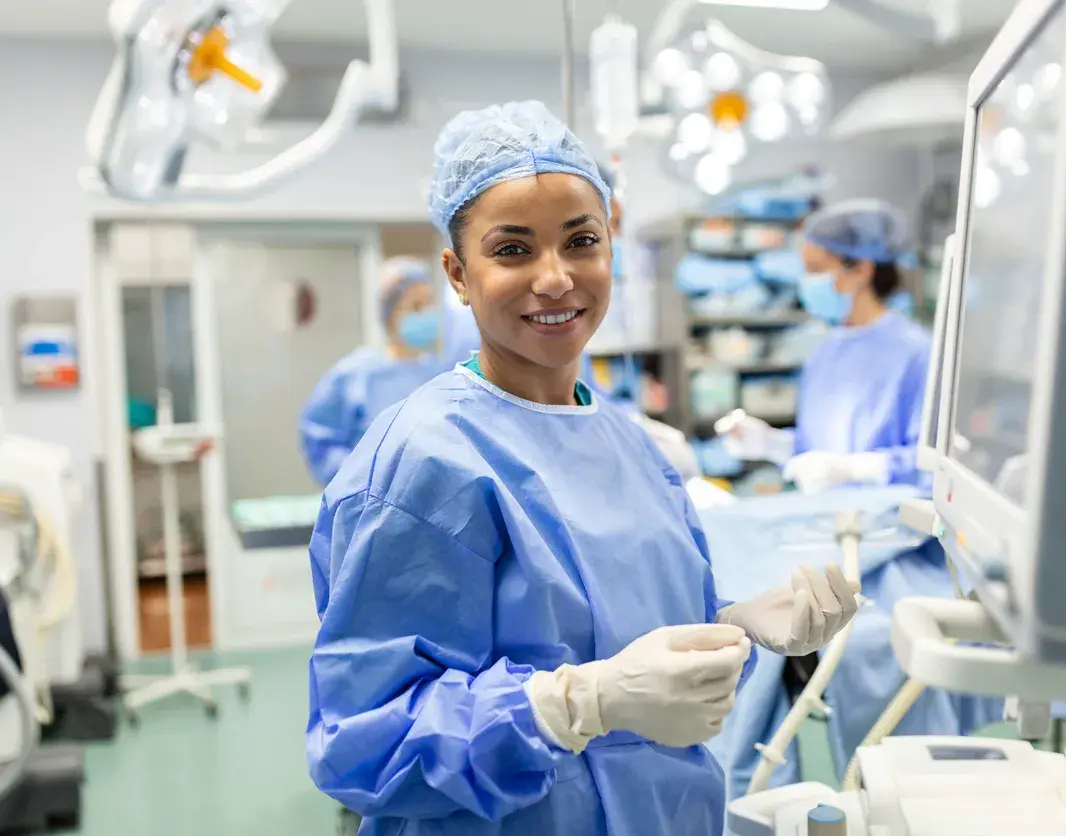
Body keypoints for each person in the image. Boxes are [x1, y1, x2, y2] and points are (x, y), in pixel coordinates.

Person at [305, 100, 859, 836]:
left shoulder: (636, 450)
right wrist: (576, 705)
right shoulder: (421, 466)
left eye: (582, 241)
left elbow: (630, 637)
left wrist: (735, 626)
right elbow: (363, 744)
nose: (556, 277)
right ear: (458, 274)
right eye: (512, 250)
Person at [717, 199, 931, 493]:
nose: (807, 282)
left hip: (894, 531)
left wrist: (856, 469)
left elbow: (934, 465)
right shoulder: (825, 351)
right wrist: (773, 444)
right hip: (830, 523)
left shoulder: (917, 353)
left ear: (861, 270)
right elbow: (821, 448)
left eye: (817, 269)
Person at [297, 258, 462, 486]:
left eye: (430, 303)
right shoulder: (357, 374)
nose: (427, 313)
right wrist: (364, 480)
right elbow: (321, 441)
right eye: (416, 306)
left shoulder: (442, 374)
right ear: (391, 315)